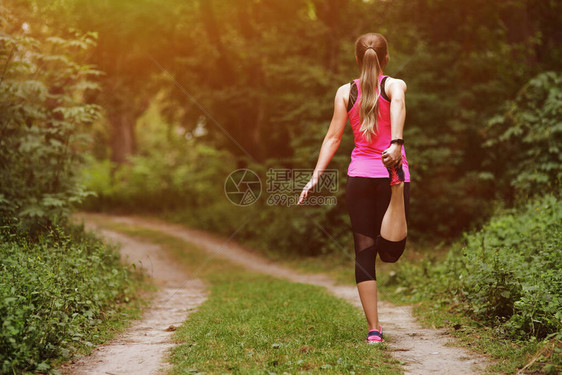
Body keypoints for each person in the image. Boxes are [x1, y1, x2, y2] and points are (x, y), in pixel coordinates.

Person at [297, 32, 410, 344]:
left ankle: (374, 328)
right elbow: (398, 104)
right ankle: (397, 187)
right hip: (388, 170)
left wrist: (315, 176)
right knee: (390, 252)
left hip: (359, 176)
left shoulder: (351, 91)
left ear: (357, 60)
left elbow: (333, 137)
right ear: (385, 58)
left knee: (365, 252)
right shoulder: (394, 84)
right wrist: (396, 144)